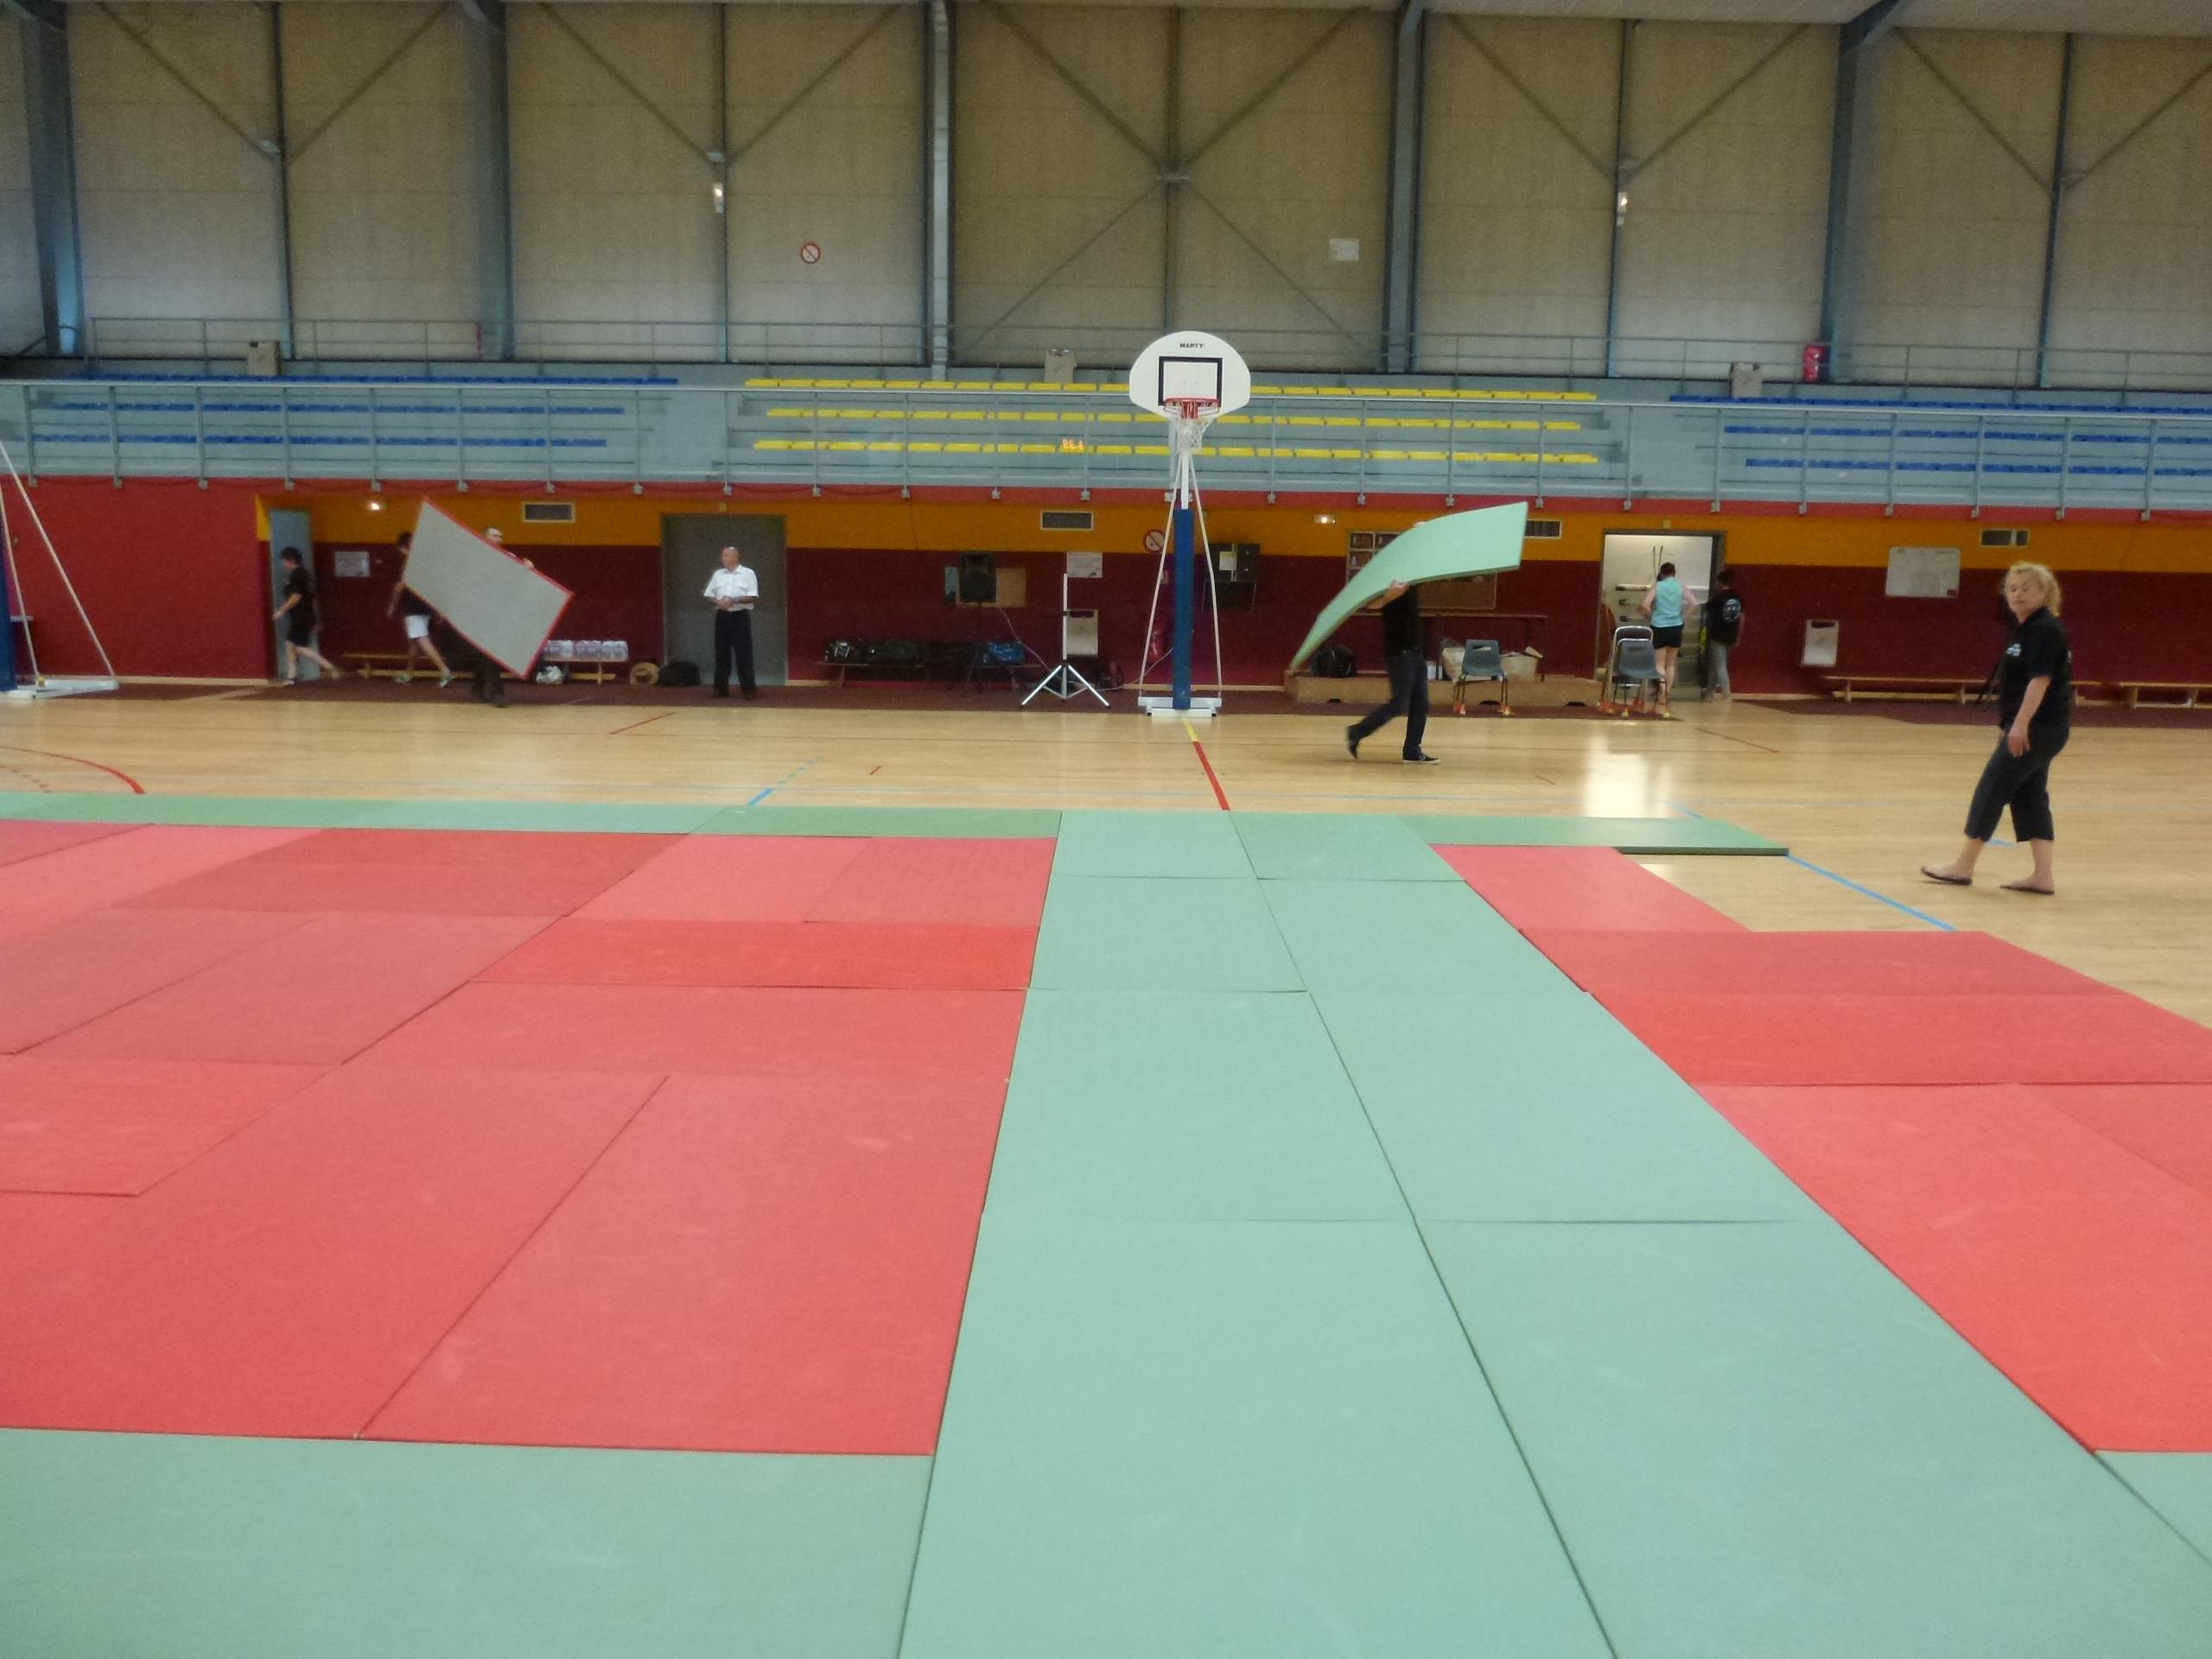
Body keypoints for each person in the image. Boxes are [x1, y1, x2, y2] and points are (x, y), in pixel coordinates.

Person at [1920, 562, 2073, 896]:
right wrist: (2009, 724)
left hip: (2039, 728)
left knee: (1992, 789)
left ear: (2044, 592)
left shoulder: (2044, 629)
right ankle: (2042, 876)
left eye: (2026, 588)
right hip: (2040, 728)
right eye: (2012, 588)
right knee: (2030, 796)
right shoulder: (2024, 627)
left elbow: (2040, 681)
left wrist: (2020, 725)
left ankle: (1963, 867)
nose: (2017, 594)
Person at [1345, 580, 1439, 765]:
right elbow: (1368, 605)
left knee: (1421, 703)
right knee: (1399, 704)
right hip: (1398, 654)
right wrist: (1388, 596)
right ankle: (1357, 731)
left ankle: (1412, 750)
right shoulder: (1388, 581)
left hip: (1415, 650)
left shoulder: (1412, 581)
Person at [385, 531, 453, 687]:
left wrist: (392, 606)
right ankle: (408, 674)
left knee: (422, 639)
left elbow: (399, 588)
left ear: (402, 547)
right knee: (414, 643)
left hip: (412, 609)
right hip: (425, 608)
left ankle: (445, 671)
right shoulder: (423, 564)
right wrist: (437, 609)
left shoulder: (406, 564)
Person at [271, 548, 343, 685]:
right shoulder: (303, 574)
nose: (283, 563)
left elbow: (296, 597)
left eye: (284, 560)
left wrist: (281, 611)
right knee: (290, 644)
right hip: (303, 615)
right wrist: (317, 619)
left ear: (291, 559)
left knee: (299, 647)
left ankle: (329, 666)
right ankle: (292, 676)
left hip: (302, 616)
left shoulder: (298, 574)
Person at [703, 544, 760, 700]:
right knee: (721, 652)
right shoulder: (718, 574)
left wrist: (734, 600)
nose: (723, 558)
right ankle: (720, 688)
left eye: (725, 555)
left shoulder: (748, 573)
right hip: (722, 616)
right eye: (723, 555)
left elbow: (753, 596)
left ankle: (748, 688)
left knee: (743, 653)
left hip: (740, 617)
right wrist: (718, 602)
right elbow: (709, 594)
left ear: (735, 557)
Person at [1642, 562, 1695, 712]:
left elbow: (1645, 605)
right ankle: (1667, 695)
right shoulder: (1681, 586)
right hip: (1676, 626)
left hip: (1659, 626)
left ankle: (1661, 692)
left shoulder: (1658, 586)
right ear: (1674, 573)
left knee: (1659, 663)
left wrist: (1650, 616)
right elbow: (1694, 603)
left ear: (1662, 573)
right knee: (1671, 664)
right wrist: (1684, 619)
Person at [467, 528, 511, 707]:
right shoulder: (476, 560)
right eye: (494, 535)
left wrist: (528, 567)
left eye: (500, 536)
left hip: (499, 613)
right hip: (481, 614)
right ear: (484, 538)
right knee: (489, 654)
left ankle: (476, 690)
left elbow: (522, 573)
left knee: (488, 654)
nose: (498, 538)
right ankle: (497, 693)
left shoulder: (508, 558)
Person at [1705, 567, 1744, 701]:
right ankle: (1709, 693)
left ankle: (1727, 696)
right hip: (1732, 634)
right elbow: (1742, 618)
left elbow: (1707, 609)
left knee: (1720, 666)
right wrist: (1738, 636)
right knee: (1716, 665)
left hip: (1718, 635)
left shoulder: (1717, 597)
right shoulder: (1738, 596)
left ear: (1720, 582)